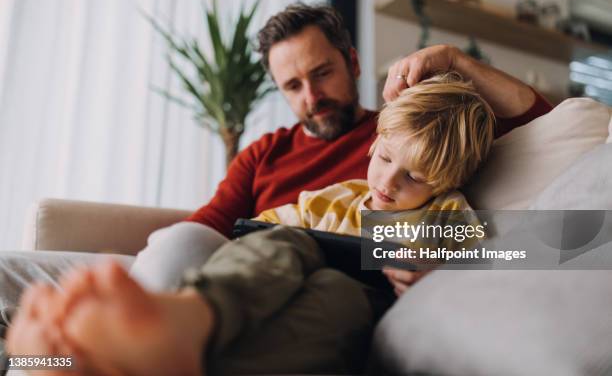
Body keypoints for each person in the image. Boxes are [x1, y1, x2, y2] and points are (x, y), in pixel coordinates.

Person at [6, 72, 496, 375]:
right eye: (385, 158)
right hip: (253, 292)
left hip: (355, 306)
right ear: (374, 144)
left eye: (413, 176)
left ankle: (90, 360)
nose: (388, 181)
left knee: (339, 293)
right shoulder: (335, 198)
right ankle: (187, 320)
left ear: (444, 181)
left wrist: (439, 273)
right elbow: (251, 232)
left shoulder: (444, 212)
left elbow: (499, 255)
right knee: (286, 242)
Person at [127, 2, 552, 294]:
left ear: (352, 62)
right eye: (293, 86)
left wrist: (455, 60)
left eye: (322, 73)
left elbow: (543, 124)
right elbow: (212, 227)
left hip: (343, 290)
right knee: (177, 243)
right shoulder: (265, 153)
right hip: (257, 274)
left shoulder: (412, 138)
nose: (311, 96)